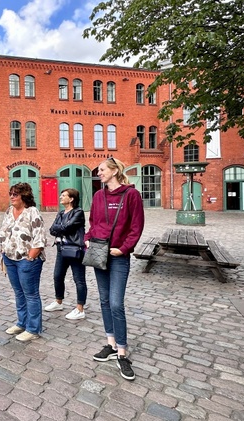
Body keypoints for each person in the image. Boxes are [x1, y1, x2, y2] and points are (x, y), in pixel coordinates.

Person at [87, 157, 144, 381]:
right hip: (99, 253)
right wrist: (87, 238)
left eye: (102, 169)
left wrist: (124, 248)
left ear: (114, 171)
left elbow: (136, 226)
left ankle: (122, 352)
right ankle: (110, 344)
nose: (99, 173)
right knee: (103, 300)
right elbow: (93, 222)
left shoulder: (131, 195)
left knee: (115, 303)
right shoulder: (98, 196)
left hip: (119, 256)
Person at [0, 182, 47, 341]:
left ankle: (33, 329)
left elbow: (40, 238)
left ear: (24, 196)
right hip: (10, 258)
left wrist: (31, 256)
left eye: (15, 194)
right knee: (18, 292)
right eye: (10, 194)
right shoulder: (9, 211)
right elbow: (4, 232)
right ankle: (22, 322)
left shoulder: (32, 212)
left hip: (27, 260)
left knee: (31, 294)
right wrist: (3, 249)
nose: (12, 197)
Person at [46, 189, 87, 320]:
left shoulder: (78, 212)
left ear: (71, 199)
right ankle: (58, 302)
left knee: (79, 279)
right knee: (57, 276)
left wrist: (60, 227)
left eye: (63, 195)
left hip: (75, 250)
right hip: (61, 249)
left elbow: (67, 227)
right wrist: (61, 227)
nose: (60, 197)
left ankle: (80, 309)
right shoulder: (61, 213)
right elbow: (52, 229)